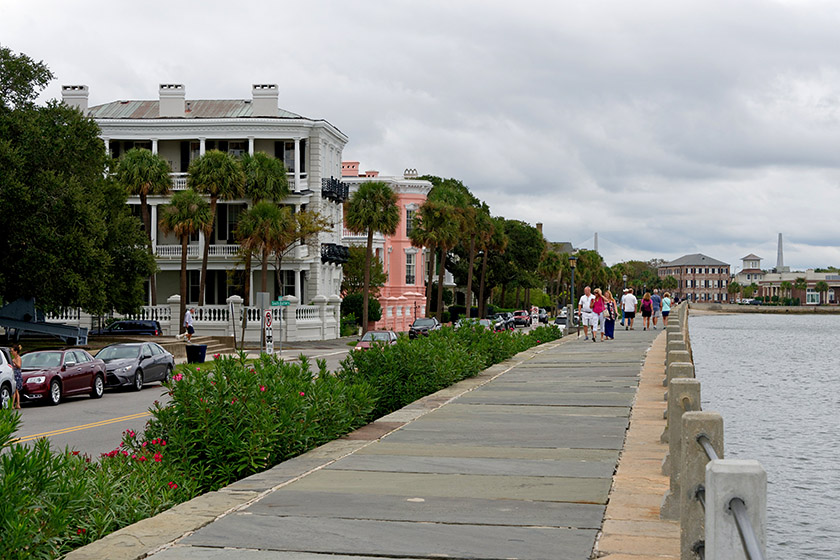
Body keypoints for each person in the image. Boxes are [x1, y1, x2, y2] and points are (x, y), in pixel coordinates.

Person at [11, 344, 22, 410]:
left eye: (12, 351)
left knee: (15, 390)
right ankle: (17, 404)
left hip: (17, 374)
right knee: (16, 391)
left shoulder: (18, 358)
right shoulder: (14, 358)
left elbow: (19, 366)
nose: (12, 353)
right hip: (14, 373)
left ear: (16, 351)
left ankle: (13, 404)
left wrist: (15, 362)